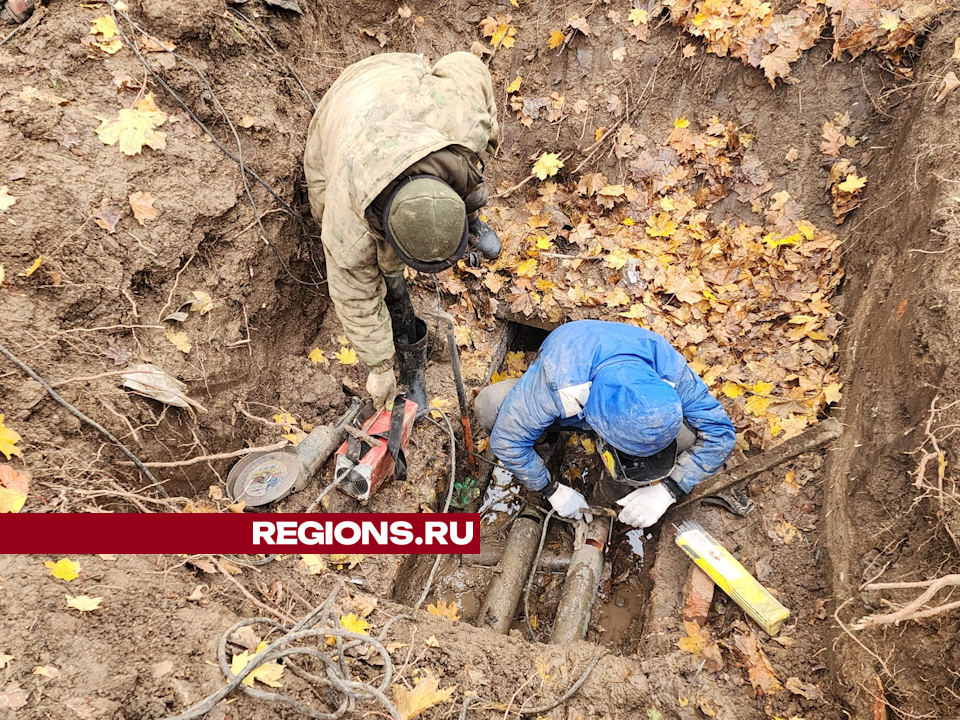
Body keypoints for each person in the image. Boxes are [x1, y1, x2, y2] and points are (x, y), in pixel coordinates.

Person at [304, 52, 501, 412]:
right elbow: (356, 299)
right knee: (384, 279)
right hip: (346, 106)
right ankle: (411, 367)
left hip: (401, 81)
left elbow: (467, 64)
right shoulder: (348, 225)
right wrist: (379, 366)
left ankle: (470, 223)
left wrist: (487, 146)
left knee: (468, 177)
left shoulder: (460, 123)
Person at [474, 320, 736, 530]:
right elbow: (506, 441)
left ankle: (621, 486)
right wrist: (550, 489)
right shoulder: (557, 384)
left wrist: (670, 490)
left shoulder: (670, 370)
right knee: (490, 406)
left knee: (688, 437)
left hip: (610, 372)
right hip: (572, 369)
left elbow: (720, 435)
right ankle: (546, 443)